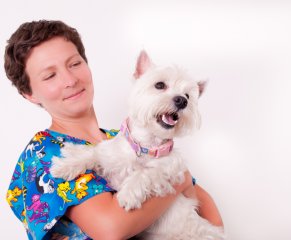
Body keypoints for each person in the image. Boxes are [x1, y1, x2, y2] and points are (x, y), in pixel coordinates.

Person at [4, 20, 223, 240]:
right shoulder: (44, 153)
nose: (70, 80)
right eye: (50, 75)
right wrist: (178, 181)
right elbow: (111, 229)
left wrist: (179, 180)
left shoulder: (124, 139)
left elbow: (209, 213)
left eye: (74, 64)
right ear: (29, 94)